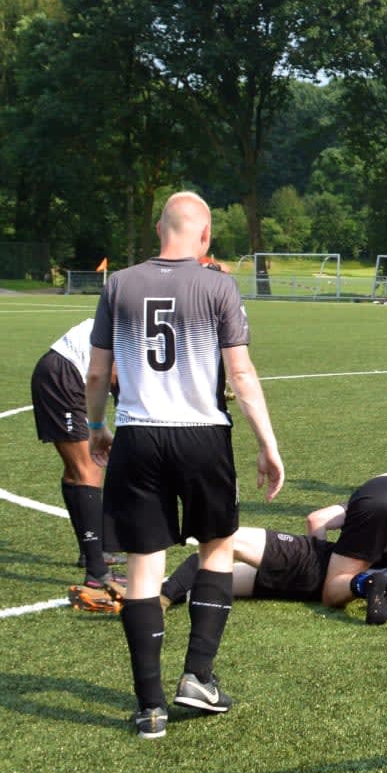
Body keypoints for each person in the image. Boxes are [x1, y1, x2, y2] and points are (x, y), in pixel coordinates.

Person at [85, 191, 286, 739]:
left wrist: (96, 426)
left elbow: (98, 373)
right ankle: (198, 675)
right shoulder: (218, 284)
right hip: (203, 435)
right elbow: (241, 376)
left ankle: (148, 707)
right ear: (205, 237)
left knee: (144, 567)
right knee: (217, 549)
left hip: (139, 437)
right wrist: (268, 443)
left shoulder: (119, 283)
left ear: (158, 229)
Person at [157, 479, 387, 621]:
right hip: (300, 583)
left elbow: (315, 519)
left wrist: (317, 554)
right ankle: (162, 593)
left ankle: (162, 595)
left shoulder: (380, 516)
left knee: (224, 547)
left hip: (308, 564)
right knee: (214, 578)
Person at [31, 318, 124, 611]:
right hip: (65, 374)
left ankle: (91, 553)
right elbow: (114, 373)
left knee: (79, 470)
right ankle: (97, 574)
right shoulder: (143, 317)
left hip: (68, 374)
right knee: (89, 469)